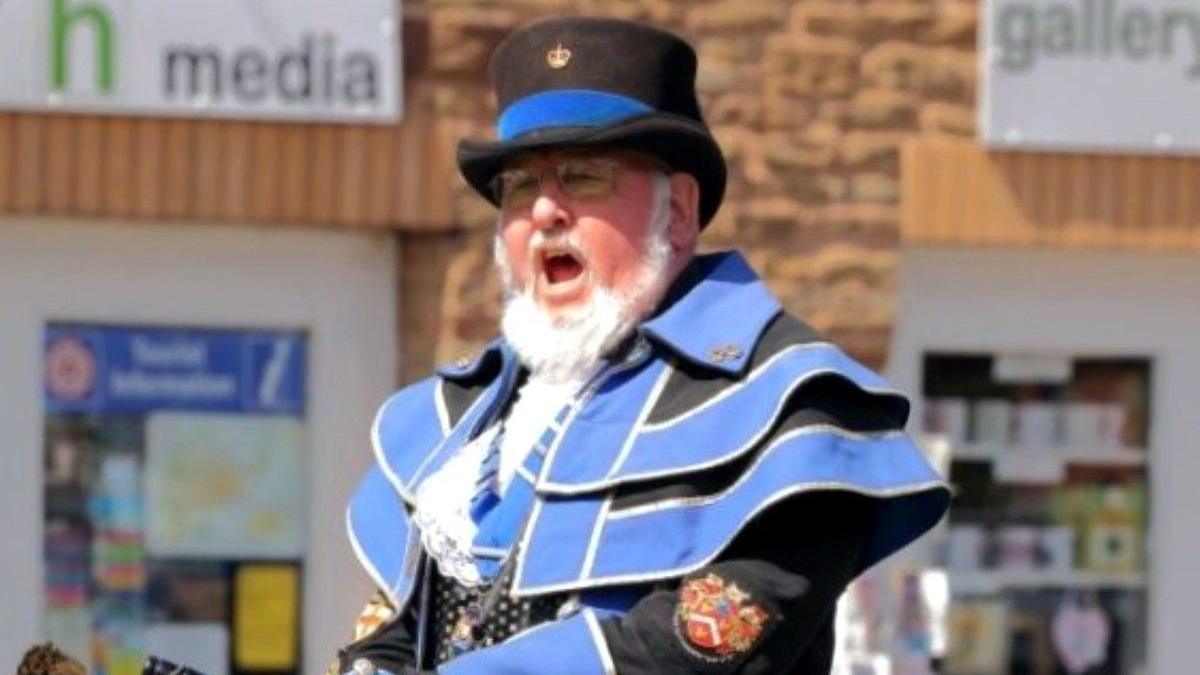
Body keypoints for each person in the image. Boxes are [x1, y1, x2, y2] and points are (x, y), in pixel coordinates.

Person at [332, 16, 950, 675]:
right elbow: (395, 628)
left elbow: (684, 653)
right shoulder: (456, 423)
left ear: (678, 212)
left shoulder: (791, 410)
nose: (545, 211)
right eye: (519, 187)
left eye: (583, 177)